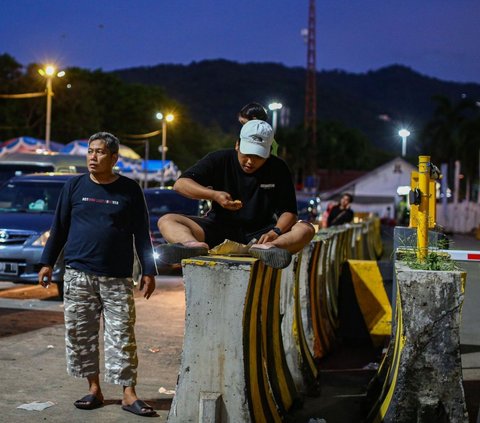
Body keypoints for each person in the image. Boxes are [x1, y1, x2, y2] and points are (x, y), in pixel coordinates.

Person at [37, 132, 158, 417]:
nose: (93, 156)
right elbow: (60, 228)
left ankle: (129, 394)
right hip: (78, 274)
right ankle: (94, 389)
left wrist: (149, 270)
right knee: (81, 335)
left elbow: (142, 232)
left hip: (116, 276)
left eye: (101, 152)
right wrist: (47, 262)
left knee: (122, 335)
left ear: (114, 158)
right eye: (91, 151)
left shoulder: (129, 190)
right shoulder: (74, 186)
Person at [157, 120, 315, 269]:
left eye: (258, 156)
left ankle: (269, 249)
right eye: (247, 154)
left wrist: (276, 232)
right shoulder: (219, 159)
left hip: (260, 235)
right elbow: (181, 184)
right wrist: (214, 195)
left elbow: (289, 212)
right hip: (217, 229)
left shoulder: (278, 167)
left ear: (268, 152)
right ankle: (192, 246)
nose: (250, 161)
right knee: (167, 220)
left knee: (306, 229)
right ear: (237, 145)